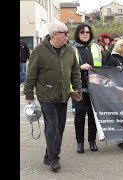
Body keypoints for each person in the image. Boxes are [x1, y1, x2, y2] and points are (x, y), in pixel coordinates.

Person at [23, 21, 82, 172]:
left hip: (63, 96)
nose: (68, 36)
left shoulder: (69, 50)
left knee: (60, 127)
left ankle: (48, 155)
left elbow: (75, 72)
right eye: (65, 33)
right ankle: (54, 158)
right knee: (52, 127)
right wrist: (29, 94)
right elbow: (30, 75)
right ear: (55, 35)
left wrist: (78, 90)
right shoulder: (39, 51)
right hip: (46, 96)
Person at [72, 23, 105, 153]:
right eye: (82, 32)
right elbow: (66, 67)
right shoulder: (71, 49)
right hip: (78, 87)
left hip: (94, 88)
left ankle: (92, 141)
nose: (85, 34)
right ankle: (80, 143)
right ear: (78, 34)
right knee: (79, 115)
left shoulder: (97, 47)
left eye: (87, 32)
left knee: (93, 116)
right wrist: (80, 67)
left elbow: (104, 65)